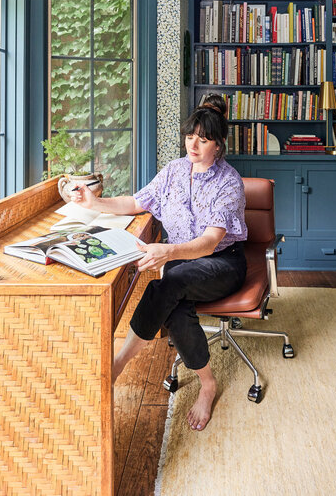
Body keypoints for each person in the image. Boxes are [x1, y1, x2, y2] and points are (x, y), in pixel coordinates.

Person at [72, 94, 248, 431]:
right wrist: (95, 202)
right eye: (190, 136)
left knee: (169, 284)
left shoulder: (229, 182)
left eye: (204, 139)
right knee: (174, 301)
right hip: (184, 266)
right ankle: (207, 383)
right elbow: (135, 202)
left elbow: (211, 242)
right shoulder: (174, 171)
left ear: (219, 145)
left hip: (223, 264)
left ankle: (118, 364)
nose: (193, 145)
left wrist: (166, 252)